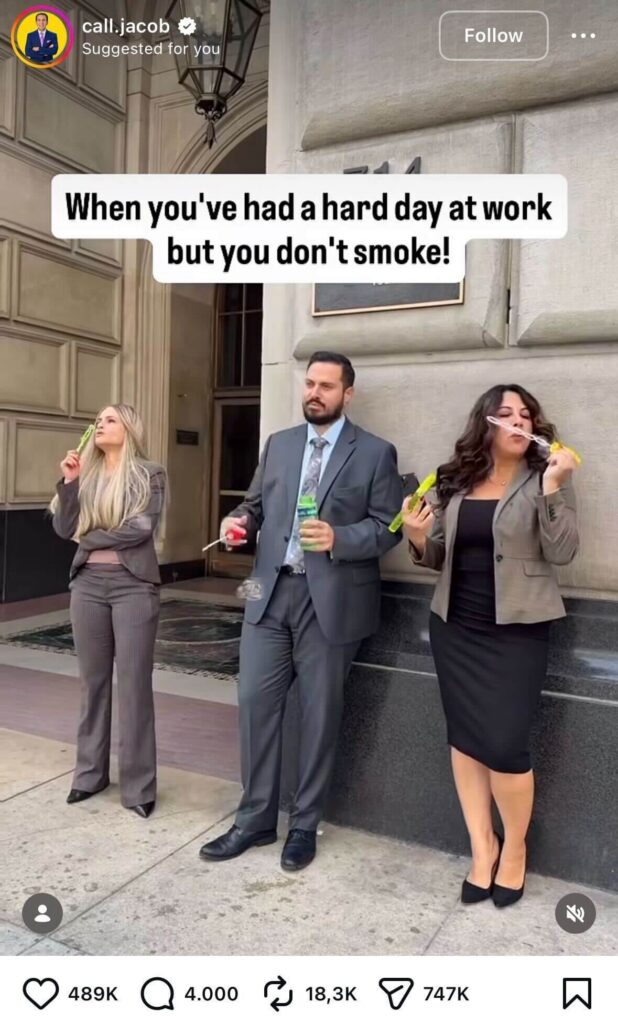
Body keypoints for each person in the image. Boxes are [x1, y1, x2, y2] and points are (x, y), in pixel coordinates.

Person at [199, 352, 403, 870]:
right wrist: (236, 523)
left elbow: (388, 528)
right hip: (269, 594)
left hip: (330, 601)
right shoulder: (280, 443)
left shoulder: (374, 452)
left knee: (318, 715)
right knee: (255, 706)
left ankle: (304, 826)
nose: (314, 393)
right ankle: (254, 820)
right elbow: (253, 506)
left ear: (347, 394)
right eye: (310, 383)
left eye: (326, 386)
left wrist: (340, 538)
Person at [403, 384, 579, 907]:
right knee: (465, 740)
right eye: (506, 413)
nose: (518, 421)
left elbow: (564, 552)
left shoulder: (549, 475)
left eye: (526, 414)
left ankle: (515, 849)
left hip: (518, 631)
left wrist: (553, 489)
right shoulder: (456, 480)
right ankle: (483, 848)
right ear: (486, 423)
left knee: (504, 746)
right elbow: (439, 554)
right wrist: (418, 536)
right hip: (455, 627)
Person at [51, 405, 166, 818]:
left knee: (134, 687)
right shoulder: (87, 474)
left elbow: (140, 529)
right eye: (98, 421)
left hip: (133, 586)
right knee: (93, 684)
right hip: (87, 586)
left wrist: (88, 534)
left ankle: (139, 788)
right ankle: (89, 775)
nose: (101, 425)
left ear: (129, 429)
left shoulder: (150, 474)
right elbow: (65, 528)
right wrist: (70, 482)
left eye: (110, 419)